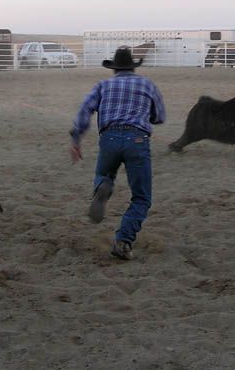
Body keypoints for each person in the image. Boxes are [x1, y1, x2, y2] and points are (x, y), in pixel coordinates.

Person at [69, 46, 166, 261]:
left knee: (104, 174)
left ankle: (103, 185)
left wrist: (76, 139)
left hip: (109, 137)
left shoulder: (103, 85)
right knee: (141, 197)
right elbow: (160, 116)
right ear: (133, 67)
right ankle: (123, 241)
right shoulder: (147, 84)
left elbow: (85, 109)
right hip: (138, 139)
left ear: (113, 68)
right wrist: (143, 115)